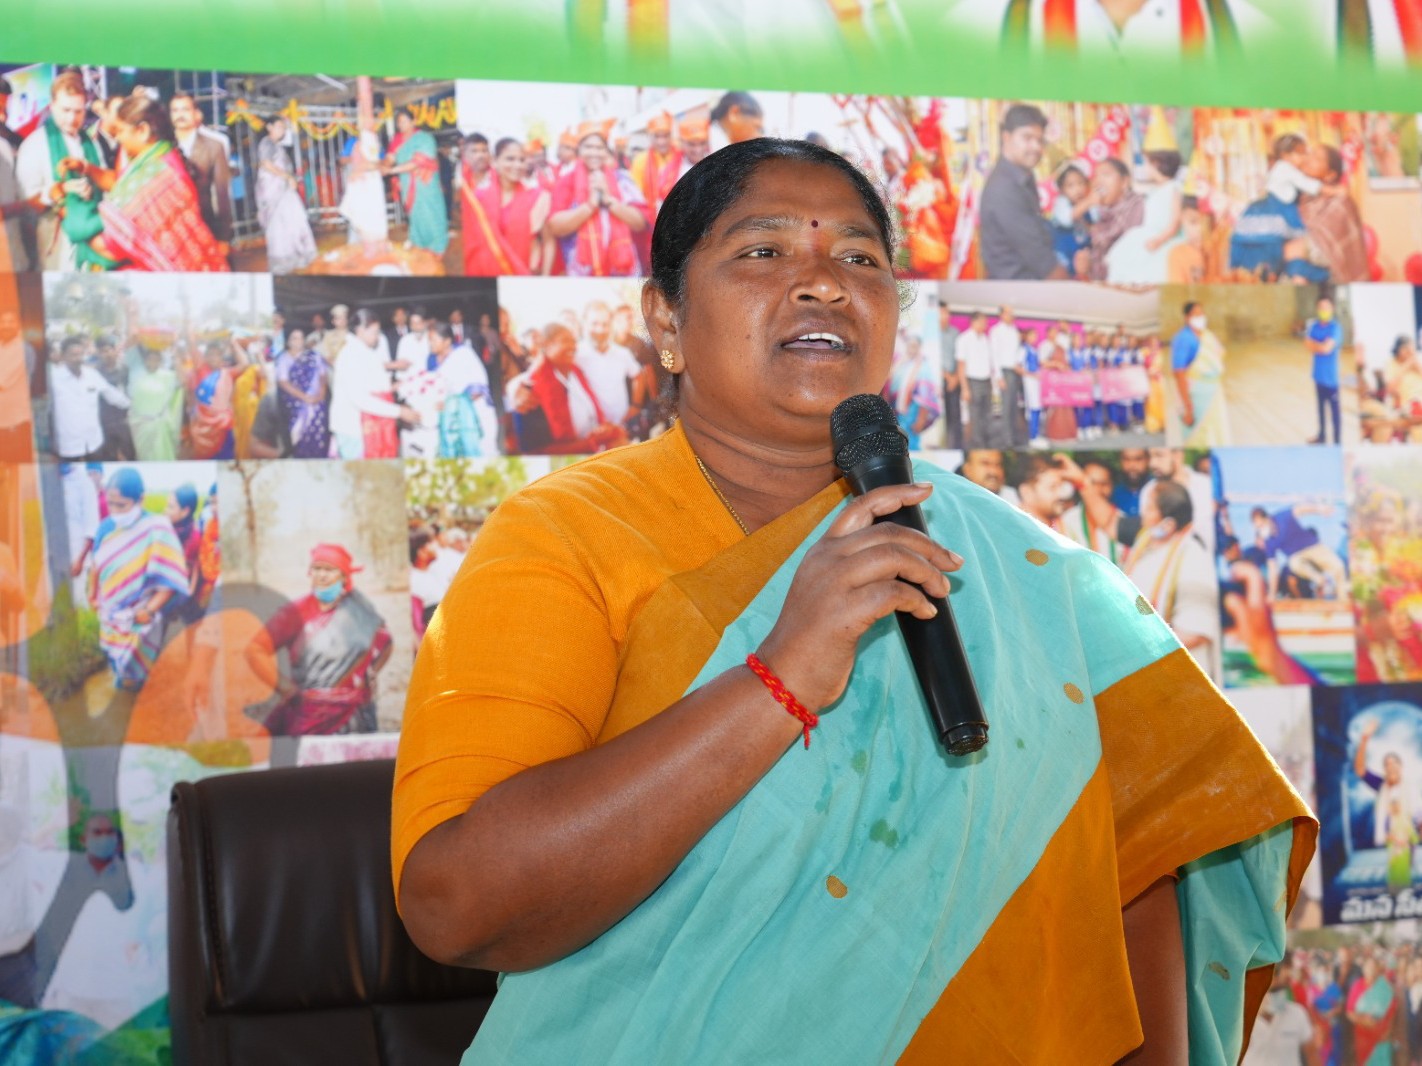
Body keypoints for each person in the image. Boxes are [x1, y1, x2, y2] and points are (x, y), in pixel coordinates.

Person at [393, 137, 1312, 1063]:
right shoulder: (565, 537)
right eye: (763, 250)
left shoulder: (1019, 564)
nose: (824, 283)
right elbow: (456, 903)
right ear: (666, 318)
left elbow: (1144, 864)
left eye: (860, 258)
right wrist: (779, 675)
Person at [61, 92, 229, 272]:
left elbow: (106, 248)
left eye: (121, 131)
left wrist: (64, 208)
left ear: (142, 131)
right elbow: (118, 182)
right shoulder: (162, 159)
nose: (118, 138)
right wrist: (87, 168)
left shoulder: (151, 179)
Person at [243, 543, 393, 736]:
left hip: (357, 714)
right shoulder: (295, 612)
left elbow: (385, 639)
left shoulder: (360, 608)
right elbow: (255, 649)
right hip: (309, 714)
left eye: (329, 570)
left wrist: (371, 671)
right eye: (317, 568)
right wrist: (286, 688)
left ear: (344, 576)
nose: (322, 575)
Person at [89, 467, 190, 691]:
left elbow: (169, 579)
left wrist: (149, 611)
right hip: (110, 611)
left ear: (140, 499)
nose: (115, 511)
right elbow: (96, 565)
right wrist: (92, 594)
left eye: (121, 505)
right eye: (111, 504)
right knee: (114, 656)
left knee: (138, 662)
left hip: (141, 614)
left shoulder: (157, 528)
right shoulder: (105, 527)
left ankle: (139, 691)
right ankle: (122, 681)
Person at [15, 70, 109, 270]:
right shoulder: (34, 145)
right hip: (55, 247)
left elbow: (106, 186)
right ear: (52, 106)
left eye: (78, 111)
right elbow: (26, 207)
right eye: (65, 110)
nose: (72, 118)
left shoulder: (92, 143)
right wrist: (59, 191)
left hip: (94, 240)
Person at [505, 322, 629, 454]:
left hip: (597, 450)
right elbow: (534, 452)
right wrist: (513, 390)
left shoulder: (577, 371)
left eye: (574, 341)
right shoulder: (529, 390)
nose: (573, 346)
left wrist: (603, 430)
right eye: (565, 341)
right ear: (546, 345)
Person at [548, 123, 650, 277]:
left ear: (606, 151)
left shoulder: (622, 180)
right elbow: (555, 227)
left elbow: (641, 223)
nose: (594, 153)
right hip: (581, 274)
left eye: (599, 148)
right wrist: (589, 206)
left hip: (622, 271)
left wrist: (609, 200)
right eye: (588, 147)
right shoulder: (566, 182)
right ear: (579, 150)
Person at [979, 103, 1066, 280]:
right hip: (1016, 288)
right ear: (1006, 137)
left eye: (1040, 140)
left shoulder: (1022, 175)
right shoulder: (1004, 187)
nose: (1036, 147)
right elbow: (1042, 261)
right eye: (1027, 138)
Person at [330, 308, 417, 460]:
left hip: (368, 425)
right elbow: (360, 399)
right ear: (360, 330)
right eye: (375, 332)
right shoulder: (350, 355)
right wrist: (399, 411)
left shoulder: (365, 352)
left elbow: (372, 385)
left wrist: (394, 387)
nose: (378, 337)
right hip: (353, 429)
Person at [461, 137, 552, 276]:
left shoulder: (538, 197)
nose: (517, 165)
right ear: (495, 161)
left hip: (525, 273)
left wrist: (545, 277)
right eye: (510, 159)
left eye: (522, 160)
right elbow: (474, 244)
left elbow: (549, 242)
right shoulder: (479, 198)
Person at [1104, 149, 1183, 284]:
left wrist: (1160, 240)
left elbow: (1175, 220)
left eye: (1146, 163)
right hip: (1147, 234)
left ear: (1156, 164)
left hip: (1164, 237)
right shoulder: (1153, 190)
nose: (1144, 168)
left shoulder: (1173, 188)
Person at [49, 336, 130, 462]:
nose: (78, 359)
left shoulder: (92, 375)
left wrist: (132, 405)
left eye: (80, 354)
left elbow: (112, 395)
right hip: (68, 444)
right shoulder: (53, 379)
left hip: (93, 441)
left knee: (96, 472)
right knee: (70, 474)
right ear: (63, 356)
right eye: (73, 355)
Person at [169, 92, 233, 250]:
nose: (180, 115)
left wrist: (224, 237)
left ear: (196, 113)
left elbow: (221, 193)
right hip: (172, 229)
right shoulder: (163, 146)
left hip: (204, 223)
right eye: (175, 110)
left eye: (185, 109)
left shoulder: (214, 146)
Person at [254, 116, 316, 274]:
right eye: (279, 127)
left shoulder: (276, 145)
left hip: (283, 189)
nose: (282, 130)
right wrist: (287, 177)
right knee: (279, 225)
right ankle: (284, 260)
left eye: (284, 127)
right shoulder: (267, 143)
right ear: (269, 127)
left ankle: (297, 255)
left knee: (293, 220)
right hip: (273, 189)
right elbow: (266, 164)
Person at [1250, 504, 1346, 602]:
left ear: (1267, 519)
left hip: (1313, 547)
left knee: (1338, 566)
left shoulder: (1281, 517)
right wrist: (1272, 594)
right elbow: (1273, 569)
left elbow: (1301, 509)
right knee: (1293, 563)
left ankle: (1343, 599)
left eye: (1261, 526)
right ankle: (1320, 580)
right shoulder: (1269, 541)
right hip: (1297, 556)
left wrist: (1320, 509)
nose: (1261, 530)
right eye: (1258, 528)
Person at [387, 108, 449, 256]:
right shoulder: (397, 140)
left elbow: (418, 162)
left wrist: (391, 170)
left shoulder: (425, 138)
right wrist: (380, 165)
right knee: (415, 215)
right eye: (399, 122)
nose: (401, 125)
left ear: (413, 122)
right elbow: (389, 158)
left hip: (425, 183)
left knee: (431, 214)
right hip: (406, 184)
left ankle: (437, 247)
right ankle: (418, 243)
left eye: (404, 121)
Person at [1168, 300, 1229, 447]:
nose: (1200, 317)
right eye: (1195, 315)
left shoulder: (1207, 335)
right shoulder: (1184, 339)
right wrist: (1187, 407)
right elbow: (1179, 373)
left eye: (1201, 314)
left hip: (1214, 391)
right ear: (1187, 318)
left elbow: (1218, 355)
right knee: (1199, 437)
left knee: (1218, 432)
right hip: (1196, 395)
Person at [575, 300, 643, 428]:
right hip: (590, 430)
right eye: (594, 323)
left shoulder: (622, 353)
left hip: (621, 427)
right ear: (585, 324)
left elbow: (638, 376)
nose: (600, 330)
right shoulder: (575, 354)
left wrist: (636, 405)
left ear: (611, 325)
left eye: (605, 324)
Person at [273, 327, 330, 459]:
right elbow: (283, 382)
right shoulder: (283, 359)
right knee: (298, 438)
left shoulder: (314, 356)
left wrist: (321, 394)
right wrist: (305, 398)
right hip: (296, 406)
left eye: (300, 338)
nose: (298, 341)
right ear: (288, 341)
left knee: (319, 439)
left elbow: (323, 375)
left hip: (317, 404)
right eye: (294, 338)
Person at [1088, 157, 1147, 283]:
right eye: (1096, 176)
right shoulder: (1098, 217)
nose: (1098, 182)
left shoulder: (1137, 205)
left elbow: (1131, 249)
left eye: (1106, 175)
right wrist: (1086, 268)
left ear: (1124, 182)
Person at [883, 332, 941, 450]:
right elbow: (890, 384)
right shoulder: (901, 363)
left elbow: (925, 398)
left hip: (914, 412)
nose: (911, 349)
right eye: (909, 345)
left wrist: (921, 420)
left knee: (910, 445)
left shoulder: (923, 367)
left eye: (914, 346)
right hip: (897, 412)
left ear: (919, 347)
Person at [339, 112, 388, 247]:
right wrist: (358, 160)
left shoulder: (375, 142)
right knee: (357, 213)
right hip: (357, 181)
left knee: (373, 213)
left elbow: (382, 161)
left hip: (372, 182)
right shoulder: (353, 141)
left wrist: (372, 164)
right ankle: (355, 244)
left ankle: (374, 244)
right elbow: (342, 160)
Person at [187, 340, 242, 460]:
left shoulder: (227, 373)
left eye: (217, 355)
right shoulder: (201, 370)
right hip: (203, 427)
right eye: (210, 355)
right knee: (204, 460)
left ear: (221, 358)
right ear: (205, 357)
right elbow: (192, 345)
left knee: (226, 458)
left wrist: (234, 344)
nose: (213, 358)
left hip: (224, 424)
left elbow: (244, 364)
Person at [127, 347, 183, 461]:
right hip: (140, 424)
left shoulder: (167, 376)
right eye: (150, 359)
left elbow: (183, 381)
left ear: (160, 361)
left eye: (156, 359)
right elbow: (133, 399)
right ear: (145, 360)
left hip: (160, 424)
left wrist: (176, 360)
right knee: (144, 456)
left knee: (162, 454)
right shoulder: (137, 376)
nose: (153, 362)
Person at [1306, 293, 1343, 445]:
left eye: (1327, 307)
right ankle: (1321, 436)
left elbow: (1326, 349)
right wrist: (1320, 345)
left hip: (1331, 379)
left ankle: (1337, 442)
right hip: (1318, 376)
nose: (1324, 310)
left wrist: (1317, 345)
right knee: (1320, 409)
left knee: (1335, 414)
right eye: (1321, 307)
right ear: (1317, 309)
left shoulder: (1335, 328)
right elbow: (1307, 345)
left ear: (1332, 309)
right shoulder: (1314, 326)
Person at [629, 111, 682, 214]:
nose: (661, 142)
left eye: (665, 136)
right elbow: (636, 196)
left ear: (671, 136)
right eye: (657, 136)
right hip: (652, 215)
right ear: (650, 137)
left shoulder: (681, 156)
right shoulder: (640, 161)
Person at [988, 306, 1026, 446]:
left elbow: (1017, 351)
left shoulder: (1014, 330)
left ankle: (1015, 435)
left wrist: (1018, 363)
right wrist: (999, 376)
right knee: (1006, 406)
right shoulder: (996, 331)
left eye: (1012, 313)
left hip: (1015, 370)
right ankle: (1007, 439)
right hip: (1004, 371)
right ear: (1002, 315)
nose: (1011, 315)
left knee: (1014, 406)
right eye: (1009, 313)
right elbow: (994, 354)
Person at [957, 311, 995, 447]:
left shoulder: (985, 339)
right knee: (975, 415)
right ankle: (978, 445)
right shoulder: (964, 339)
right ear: (974, 322)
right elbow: (961, 365)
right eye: (983, 322)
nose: (985, 325)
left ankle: (987, 442)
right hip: (972, 382)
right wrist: (965, 388)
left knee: (987, 413)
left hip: (987, 381)